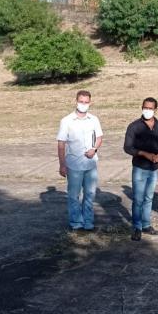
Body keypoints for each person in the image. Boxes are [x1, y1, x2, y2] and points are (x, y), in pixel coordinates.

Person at [57, 90, 103, 232]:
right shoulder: (67, 121)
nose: (83, 104)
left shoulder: (94, 119)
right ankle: (76, 222)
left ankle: (88, 222)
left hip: (90, 164)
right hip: (74, 165)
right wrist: (62, 165)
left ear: (90, 103)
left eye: (86, 102)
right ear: (76, 101)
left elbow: (100, 137)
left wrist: (94, 149)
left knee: (90, 194)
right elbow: (61, 143)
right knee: (74, 195)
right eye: (81, 101)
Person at [123, 97, 158, 241]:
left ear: (155, 110)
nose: (147, 111)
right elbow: (127, 147)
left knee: (149, 197)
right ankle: (137, 227)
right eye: (145, 108)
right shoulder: (134, 126)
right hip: (139, 168)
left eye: (150, 108)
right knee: (138, 199)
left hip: (154, 168)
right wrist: (144, 154)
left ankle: (146, 224)